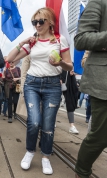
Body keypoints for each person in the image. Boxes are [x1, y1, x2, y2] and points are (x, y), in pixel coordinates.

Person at [7, 7, 73, 175]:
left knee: (48, 125)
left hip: (52, 85)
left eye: (40, 21)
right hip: (32, 84)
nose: (37, 25)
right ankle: (30, 151)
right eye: (34, 22)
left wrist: (59, 64)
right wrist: (22, 43)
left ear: (50, 22)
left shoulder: (60, 39)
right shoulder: (33, 42)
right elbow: (10, 58)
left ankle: (45, 157)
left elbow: (69, 65)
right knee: (34, 121)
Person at [74, 1, 107, 175]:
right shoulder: (100, 2)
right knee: (100, 137)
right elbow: (81, 39)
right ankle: (82, 172)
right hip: (104, 83)